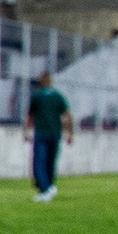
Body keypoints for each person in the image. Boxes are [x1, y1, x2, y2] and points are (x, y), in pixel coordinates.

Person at [23, 72, 73, 202]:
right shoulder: (58, 96)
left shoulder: (37, 96)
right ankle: (49, 186)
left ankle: (45, 190)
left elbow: (30, 115)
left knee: (39, 162)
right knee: (51, 161)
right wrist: (69, 133)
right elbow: (66, 115)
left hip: (41, 133)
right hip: (55, 133)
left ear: (41, 82)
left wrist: (26, 131)